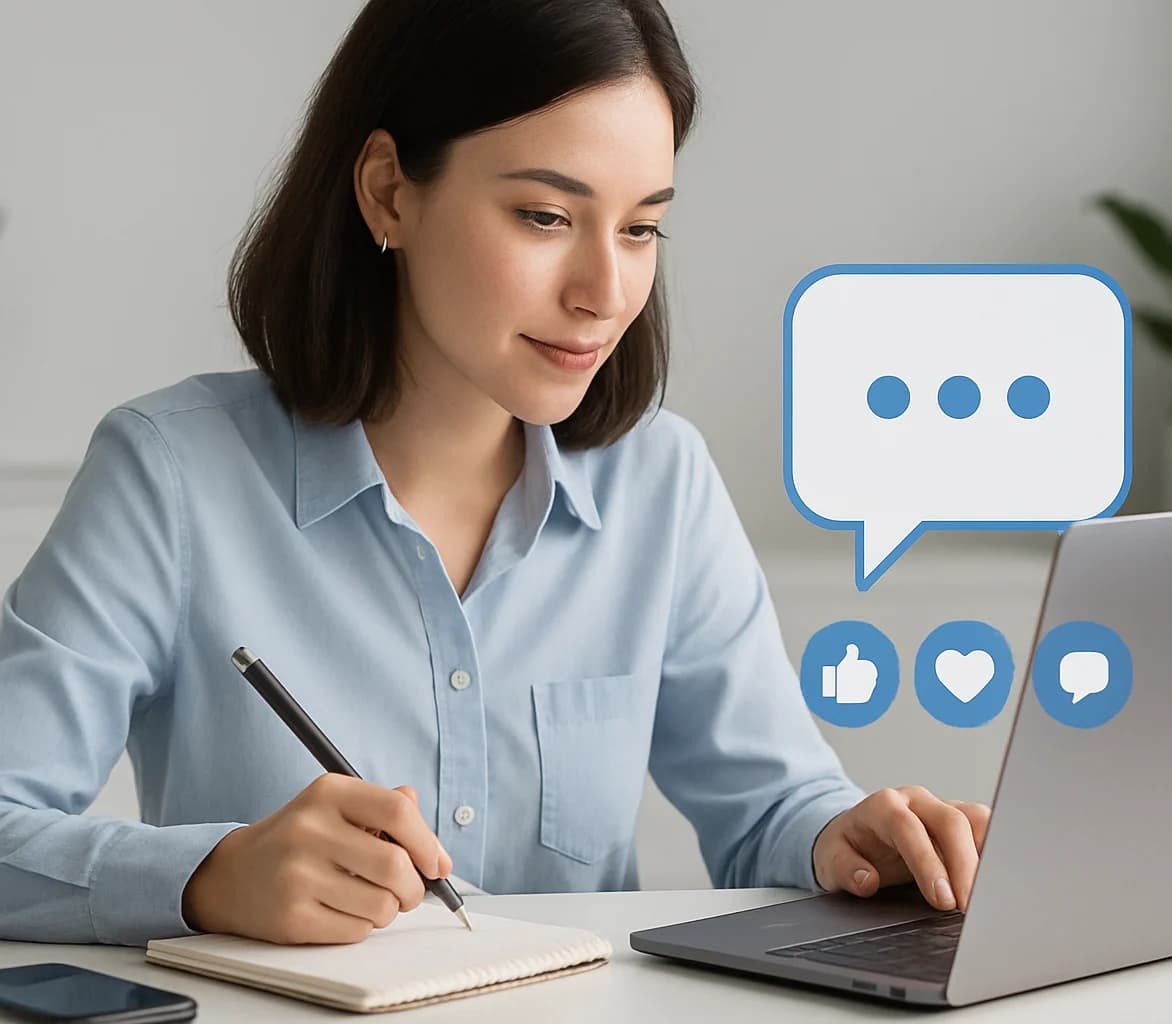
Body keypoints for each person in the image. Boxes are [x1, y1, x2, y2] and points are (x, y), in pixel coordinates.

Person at [0, 0, 989, 947]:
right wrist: (209, 877)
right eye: (546, 216)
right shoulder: (170, 474)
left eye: (641, 227)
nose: (607, 292)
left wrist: (849, 844)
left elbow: (773, 803)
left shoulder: (661, 482)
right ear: (389, 189)